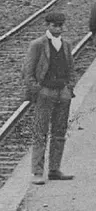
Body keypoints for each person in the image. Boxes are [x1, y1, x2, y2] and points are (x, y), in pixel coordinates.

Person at [23, 10, 76, 184]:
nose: (58, 29)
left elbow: (71, 68)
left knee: (59, 132)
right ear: (48, 25)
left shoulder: (66, 44)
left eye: (61, 25)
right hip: (45, 92)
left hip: (63, 92)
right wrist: (38, 90)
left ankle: (54, 169)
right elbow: (28, 72)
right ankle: (37, 172)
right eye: (55, 25)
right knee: (40, 132)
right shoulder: (38, 44)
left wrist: (69, 87)